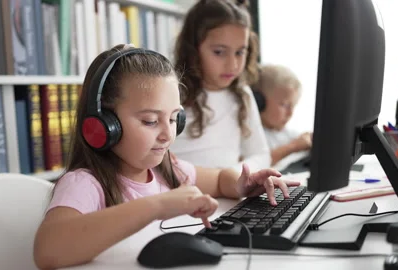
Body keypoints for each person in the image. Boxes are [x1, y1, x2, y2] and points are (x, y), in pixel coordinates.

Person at [33, 45, 300, 269]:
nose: (167, 135)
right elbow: (48, 250)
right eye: (150, 121)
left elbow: (219, 179)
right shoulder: (84, 183)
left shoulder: (167, 168)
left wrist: (242, 184)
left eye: (174, 119)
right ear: (104, 126)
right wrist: (158, 205)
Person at [169, 0, 270, 173]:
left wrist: (233, 175)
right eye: (219, 52)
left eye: (240, 52)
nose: (233, 65)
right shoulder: (171, 93)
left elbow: (261, 155)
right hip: (182, 194)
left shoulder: (241, 94)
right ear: (193, 49)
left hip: (228, 194)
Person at [252, 64, 312, 166]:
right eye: (284, 105)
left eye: (293, 106)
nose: (290, 113)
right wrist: (293, 146)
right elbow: (258, 162)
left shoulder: (288, 133)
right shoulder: (252, 135)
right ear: (259, 102)